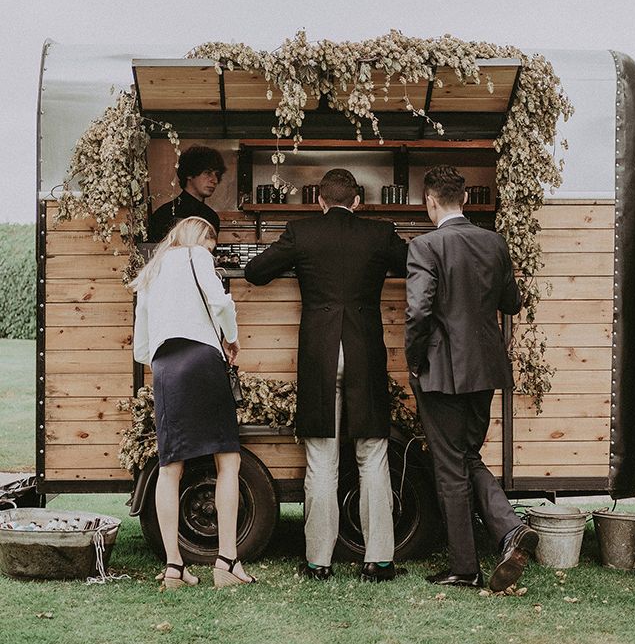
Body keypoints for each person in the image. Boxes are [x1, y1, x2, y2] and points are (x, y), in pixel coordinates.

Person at [244, 169, 408, 582]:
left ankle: (319, 561)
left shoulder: (301, 233)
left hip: (319, 354)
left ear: (319, 199)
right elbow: (414, 265)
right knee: (372, 455)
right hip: (363, 352)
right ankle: (379, 559)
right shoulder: (379, 232)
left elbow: (256, 273)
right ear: (357, 201)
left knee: (321, 458)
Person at [405, 165, 538, 591]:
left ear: (430, 201)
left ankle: (465, 567)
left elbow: (419, 312)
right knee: (466, 458)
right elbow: (513, 304)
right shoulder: (494, 243)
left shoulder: (424, 246)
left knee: (450, 467)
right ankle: (509, 529)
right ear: (463, 200)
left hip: (441, 371)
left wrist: (413, 361)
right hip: (485, 369)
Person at [131, 216, 255, 589]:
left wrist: (165, 360)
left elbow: (141, 345)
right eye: (212, 246)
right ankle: (226, 562)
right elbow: (220, 302)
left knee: (170, 467)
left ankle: (174, 568)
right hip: (202, 360)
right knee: (228, 461)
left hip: (165, 367)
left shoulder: (152, 270)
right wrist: (230, 339)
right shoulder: (196, 256)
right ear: (201, 239)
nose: (211, 253)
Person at [146, 146, 226, 243]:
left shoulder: (211, 217)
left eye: (217, 174)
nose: (215, 180)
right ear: (189, 174)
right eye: (207, 173)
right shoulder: (165, 214)